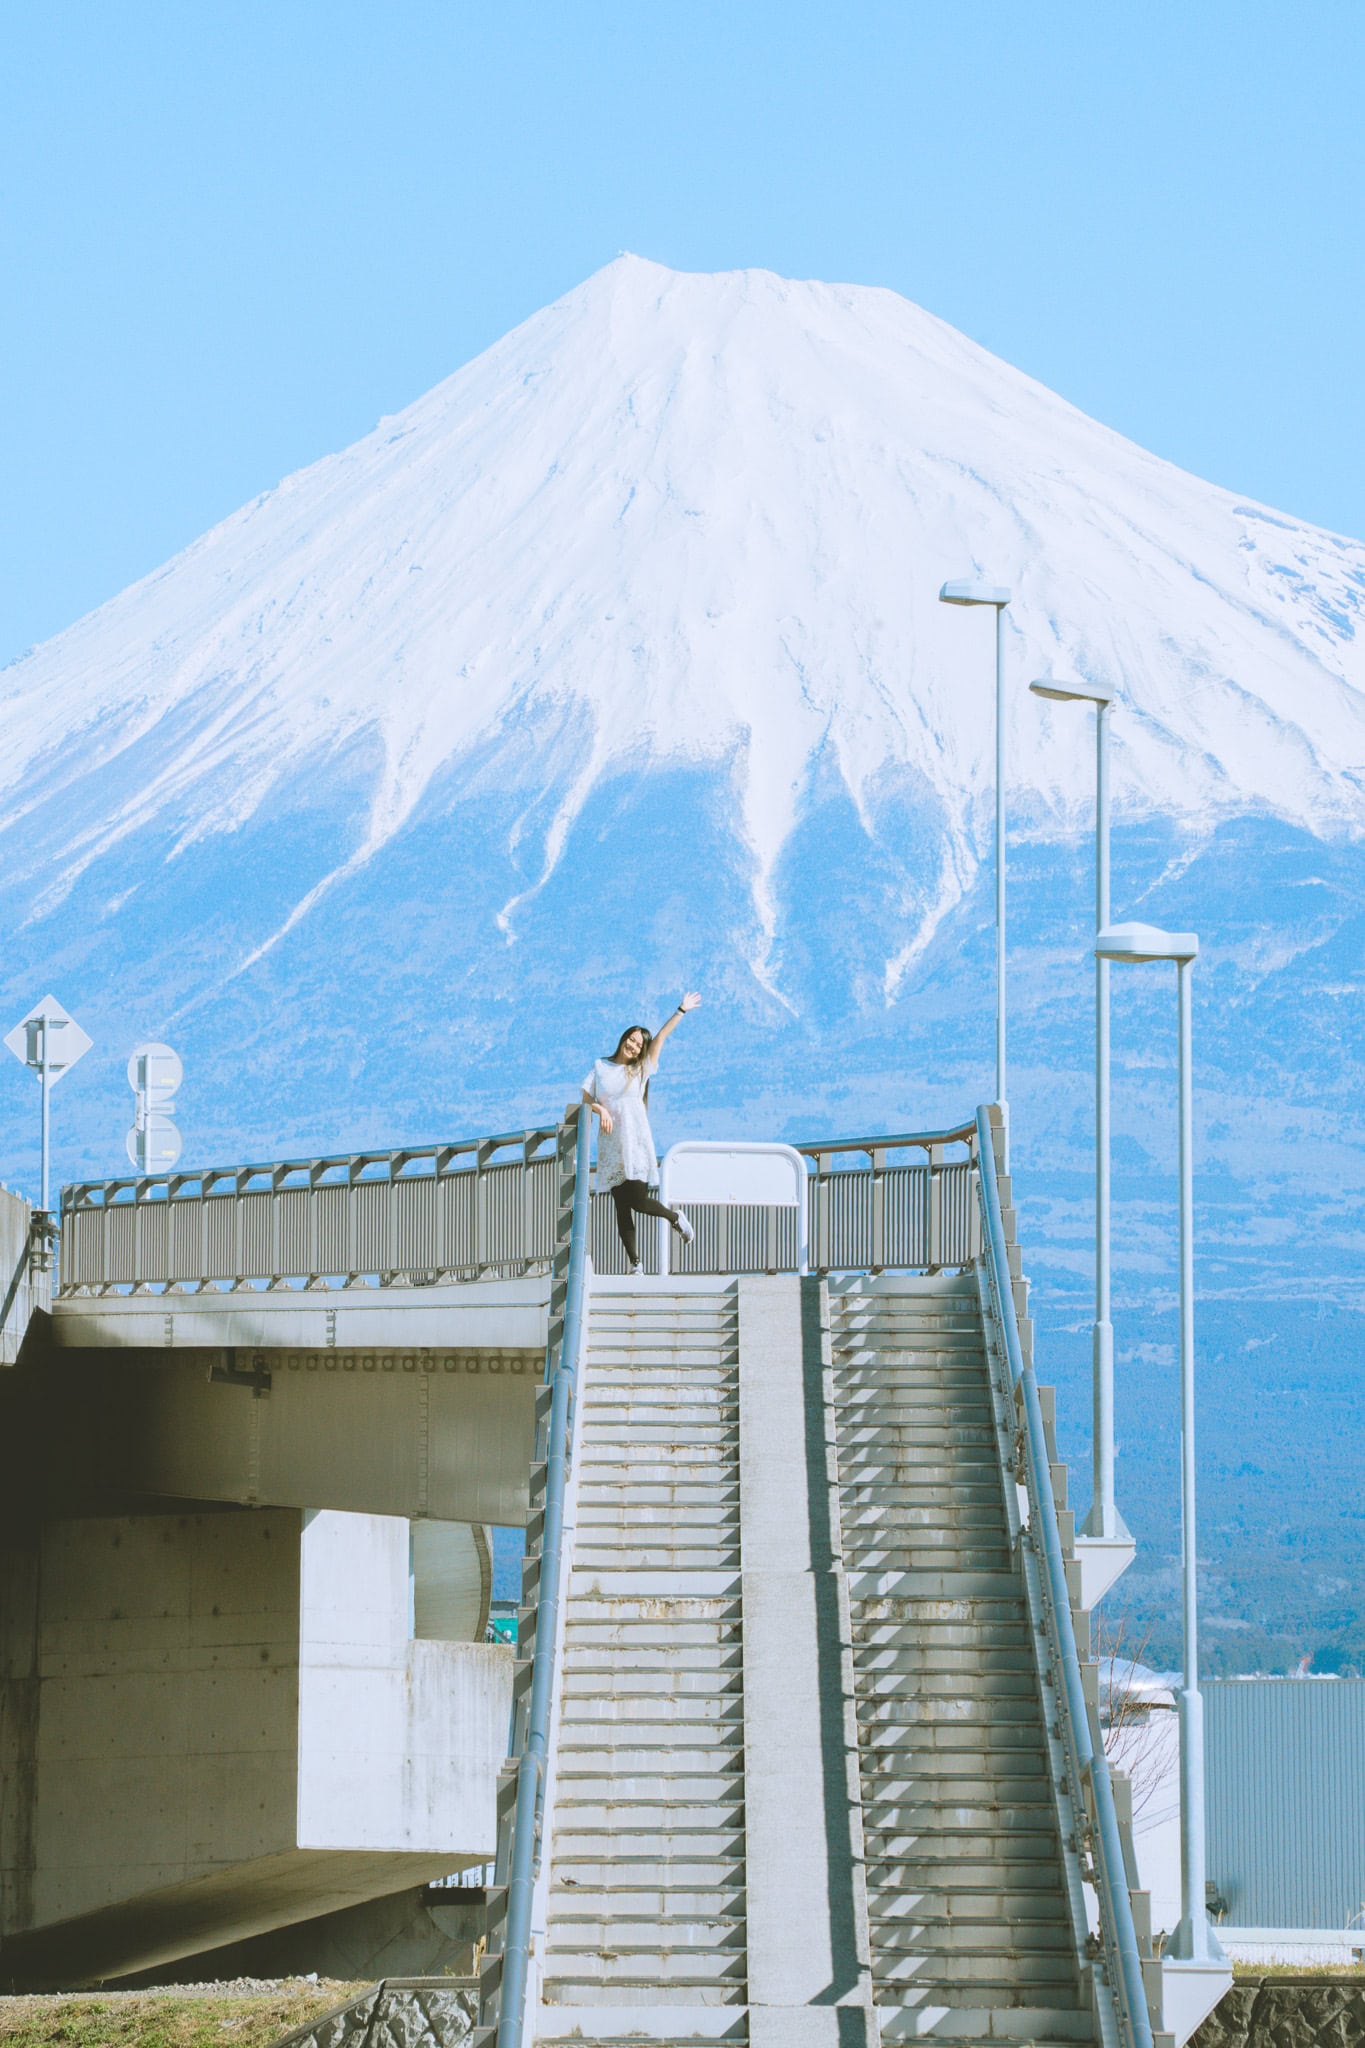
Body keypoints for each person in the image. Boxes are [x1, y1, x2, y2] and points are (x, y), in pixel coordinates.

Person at [582, 994, 701, 1273]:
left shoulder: (640, 1070)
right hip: (612, 1144)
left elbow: (660, 1038)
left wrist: (681, 1011)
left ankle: (675, 1217)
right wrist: (601, 1110)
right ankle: (635, 1263)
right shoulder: (601, 1066)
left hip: (634, 1142)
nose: (633, 1046)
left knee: (637, 1200)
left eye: (638, 1044)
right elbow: (585, 1098)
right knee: (621, 1207)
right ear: (624, 1038)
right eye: (631, 1039)